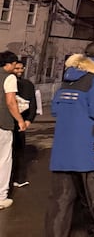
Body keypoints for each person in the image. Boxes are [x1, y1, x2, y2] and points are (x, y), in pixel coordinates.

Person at [44, 43, 94, 237]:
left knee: (61, 198)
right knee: (92, 195)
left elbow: (56, 108)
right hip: (88, 147)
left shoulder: (70, 76)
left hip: (64, 148)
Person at [1, 51, 27, 211]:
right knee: (4, 159)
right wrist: (20, 120)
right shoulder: (9, 77)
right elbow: (11, 101)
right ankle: (1, 197)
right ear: (9, 64)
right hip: (2, 123)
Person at [11, 60, 36, 190]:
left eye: (21, 68)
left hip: (19, 123)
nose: (20, 71)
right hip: (13, 122)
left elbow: (33, 103)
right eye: (17, 69)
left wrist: (28, 120)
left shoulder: (27, 85)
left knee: (19, 152)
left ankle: (18, 178)